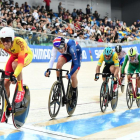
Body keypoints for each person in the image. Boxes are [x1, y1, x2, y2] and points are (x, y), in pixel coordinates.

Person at [0, 27, 33, 122]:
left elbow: (20, 63)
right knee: (5, 82)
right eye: (3, 40)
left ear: (12, 39)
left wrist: (14, 76)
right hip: (14, 56)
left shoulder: (20, 42)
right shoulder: (1, 42)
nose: (5, 43)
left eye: (7, 40)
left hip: (26, 56)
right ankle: (5, 109)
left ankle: (20, 88)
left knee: (15, 64)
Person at [44, 37, 82, 108]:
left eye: (61, 48)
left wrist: (70, 74)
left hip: (76, 53)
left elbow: (76, 64)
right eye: (58, 49)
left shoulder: (71, 46)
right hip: (67, 54)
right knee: (58, 63)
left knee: (73, 76)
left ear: (64, 44)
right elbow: (52, 59)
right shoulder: (56, 46)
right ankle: (59, 85)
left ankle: (74, 95)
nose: (60, 50)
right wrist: (48, 70)